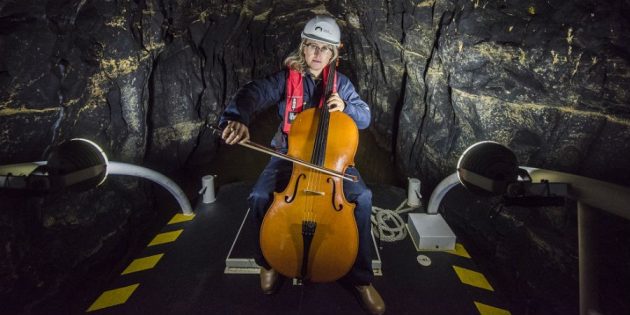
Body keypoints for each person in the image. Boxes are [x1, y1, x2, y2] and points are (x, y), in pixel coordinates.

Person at [219, 15, 385, 315]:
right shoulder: (286, 78)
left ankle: (361, 278)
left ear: (335, 52)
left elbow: (365, 116)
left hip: (332, 161)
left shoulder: (341, 84)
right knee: (258, 197)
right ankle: (267, 262)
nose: (317, 55)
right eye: (311, 46)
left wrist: (346, 107)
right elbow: (252, 92)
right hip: (289, 155)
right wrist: (236, 117)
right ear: (303, 47)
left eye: (325, 49)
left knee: (363, 197)